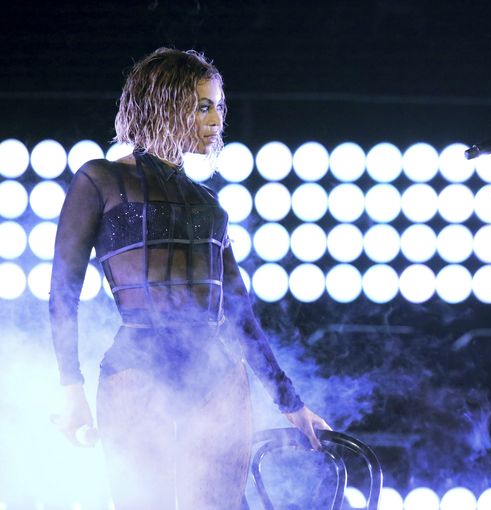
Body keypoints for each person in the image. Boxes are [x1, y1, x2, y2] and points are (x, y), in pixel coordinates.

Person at [49, 48, 330, 509]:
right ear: (163, 103)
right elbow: (63, 292)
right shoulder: (99, 180)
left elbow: (240, 315)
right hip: (135, 373)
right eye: (203, 105)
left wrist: (291, 404)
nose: (216, 118)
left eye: (219, 105)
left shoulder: (208, 204)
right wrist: (70, 388)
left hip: (217, 379)